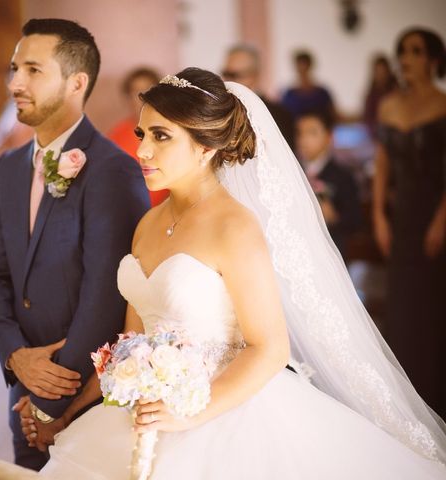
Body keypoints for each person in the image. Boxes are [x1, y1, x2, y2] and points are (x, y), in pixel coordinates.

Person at [25, 68, 446, 479]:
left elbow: (269, 348)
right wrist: (67, 415)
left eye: (161, 136)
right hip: (145, 413)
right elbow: (132, 344)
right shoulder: (148, 224)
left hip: (226, 417)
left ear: (206, 147)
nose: (143, 151)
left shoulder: (235, 227)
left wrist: (189, 415)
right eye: (142, 134)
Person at [0, 18, 149, 471]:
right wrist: (15, 356)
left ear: (76, 82)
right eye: (14, 68)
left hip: (87, 401)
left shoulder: (112, 169)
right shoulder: (8, 169)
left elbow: (106, 296)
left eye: (33, 70)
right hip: (23, 394)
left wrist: (51, 398)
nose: (15, 83)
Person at [373, 27, 446, 419]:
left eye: (415, 51)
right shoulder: (388, 105)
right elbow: (383, 167)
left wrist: (441, 220)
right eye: (402, 50)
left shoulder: (443, 104)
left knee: (434, 306)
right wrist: (379, 217)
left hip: (436, 212)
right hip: (401, 218)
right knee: (402, 307)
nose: (406, 58)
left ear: (434, 58)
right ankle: (408, 404)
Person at [296, 110, 361, 257]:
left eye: (312, 133)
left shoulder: (343, 176)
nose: (303, 139)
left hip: (330, 250)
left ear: (328, 137)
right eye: (300, 133)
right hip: (299, 248)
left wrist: (334, 216)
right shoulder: (292, 171)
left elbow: (355, 220)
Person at [108, 67, 169, 206]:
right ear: (128, 98)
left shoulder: (171, 131)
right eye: (135, 92)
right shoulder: (117, 134)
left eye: (148, 90)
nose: (142, 97)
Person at [221, 44, 295, 149]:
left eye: (234, 75)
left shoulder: (279, 114)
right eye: (226, 73)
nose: (228, 80)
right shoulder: (218, 111)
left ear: (254, 75)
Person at [281, 50, 336, 121]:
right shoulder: (289, 95)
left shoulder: (322, 94)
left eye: (304, 66)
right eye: (299, 66)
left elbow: (333, 115)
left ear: (309, 66)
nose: (302, 70)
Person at [362, 55, 398, 139]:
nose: (380, 75)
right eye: (378, 72)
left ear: (388, 72)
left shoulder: (396, 93)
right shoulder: (371, 96)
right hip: (377, 138)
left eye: (383, 72)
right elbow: (368, 121)